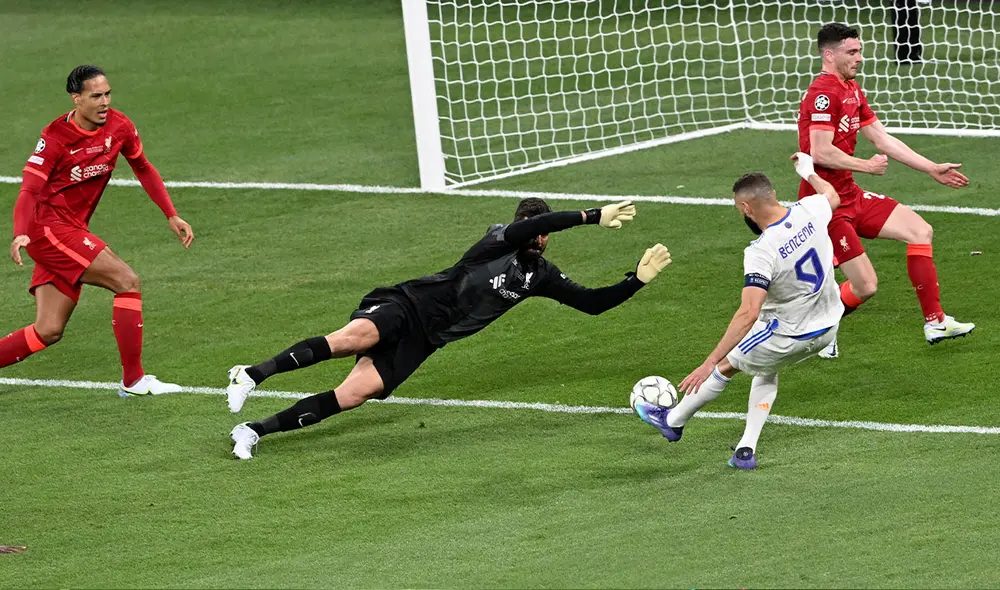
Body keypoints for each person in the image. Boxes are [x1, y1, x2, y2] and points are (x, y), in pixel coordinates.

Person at [227, 198, 671, 459]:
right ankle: (251, 374)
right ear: (521, 228)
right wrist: (593, 216)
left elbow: (592, 305)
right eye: (533, 232)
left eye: (543, 236)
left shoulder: (541, 276)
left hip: (427, 340)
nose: (539, 239)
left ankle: (252, 430)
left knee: (354, 394)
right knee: (351, 339)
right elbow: (537, 221)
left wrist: (637, 280)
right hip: (407, 303)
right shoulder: (498, 240)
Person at [635, 154, 841, 469]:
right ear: (772, 194)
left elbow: (747, 312)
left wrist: (709, 363)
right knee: (764, 363)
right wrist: (810, 172)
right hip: (828, 328)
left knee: (726, 366)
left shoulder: (762, 251)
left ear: (746, 208)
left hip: (789, 334)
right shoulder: (810, 209)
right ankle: (745, 450)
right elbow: (832, 196)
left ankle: (673, 421)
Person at [4, 65, 194, 396]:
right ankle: (133, 381)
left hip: (70, 229)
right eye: (96, 96)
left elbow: (144, 168)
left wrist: (171, 214)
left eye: (107, 94)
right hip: (48, 230)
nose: (105, 102)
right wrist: (21, 232)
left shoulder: (119, 127)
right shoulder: (54, 139)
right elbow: (28, 192)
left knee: (48, 330)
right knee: (127, 281)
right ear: (76, 99)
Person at [799, 23, 973, 358]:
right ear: (829, 55)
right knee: (866, 286)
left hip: (850, 194)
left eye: (860, 51)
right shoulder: (825, 93)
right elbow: (819, 151)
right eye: (852, 52)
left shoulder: (851, 88)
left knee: (920, 230)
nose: (860, 58)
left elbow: (882, 139)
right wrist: (866, 166)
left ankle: (935, 321)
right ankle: (819, 328)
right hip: (825, 202)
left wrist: (931, 167)